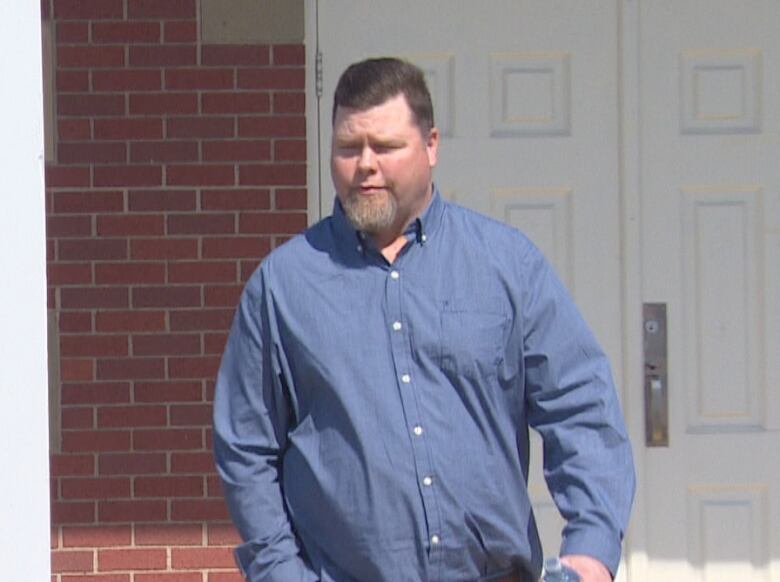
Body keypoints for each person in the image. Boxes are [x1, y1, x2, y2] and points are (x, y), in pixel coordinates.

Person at [213, 57, 635, 582]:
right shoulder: (284, 287)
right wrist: (280, 571)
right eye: (348, 147)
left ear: (431, 145)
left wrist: (591, 550)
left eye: (386, 147)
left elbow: (579, 406)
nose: (365, 164)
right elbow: (246, 447)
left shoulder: (505, 266)